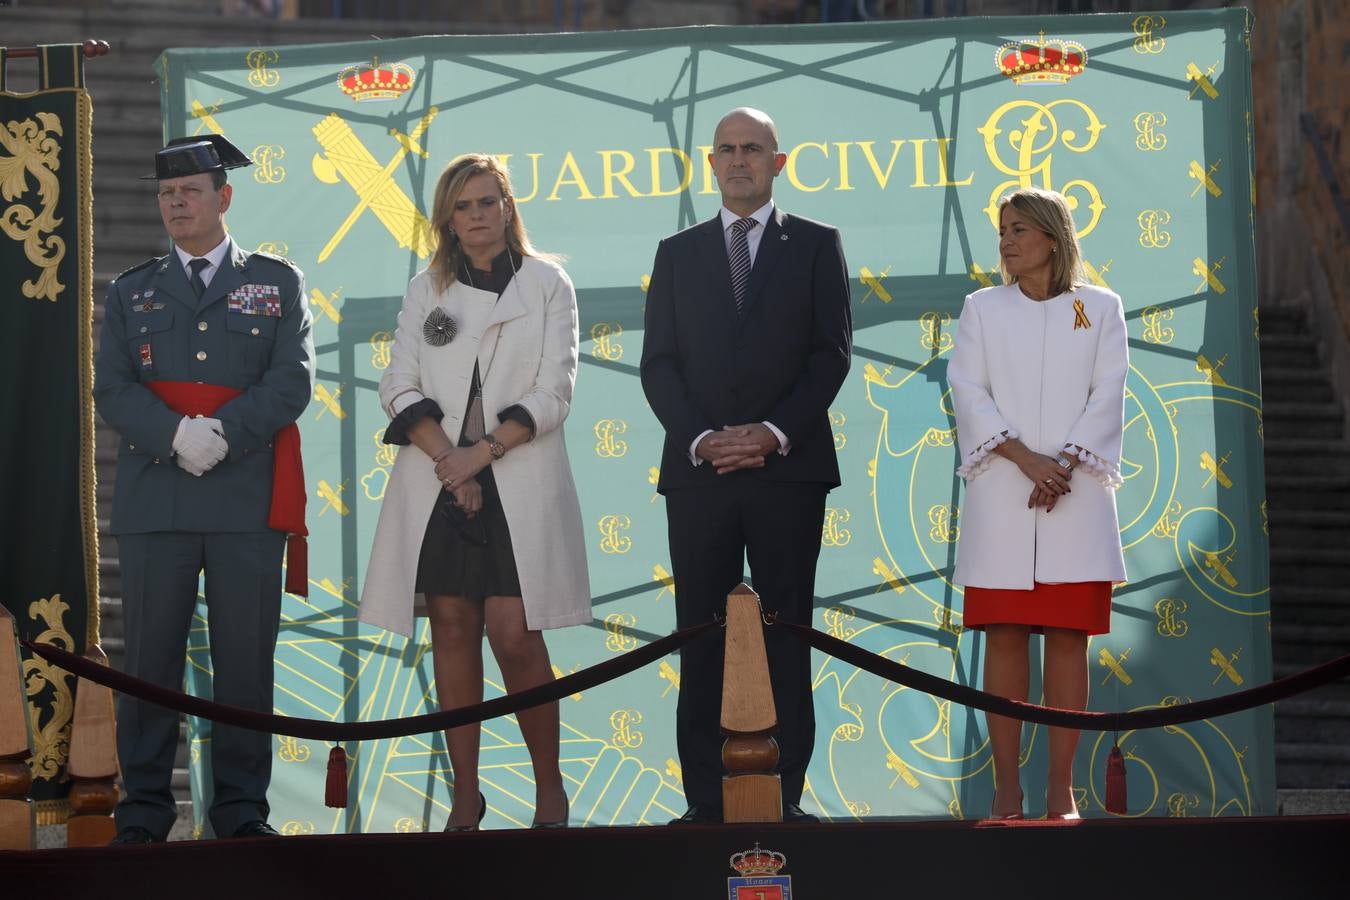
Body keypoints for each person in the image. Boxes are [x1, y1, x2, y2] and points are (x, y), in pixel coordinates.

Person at [359, 153, 590, 832]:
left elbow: (555, 389)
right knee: (453, 628)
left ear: (509, 207)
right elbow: (397, 384)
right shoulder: (425, 287)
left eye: (489, 201)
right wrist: (450, 464)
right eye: (463, 205)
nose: (478, 215)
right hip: (438, 481)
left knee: (514, 634)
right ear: (447, 219)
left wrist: (480, 457)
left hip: (516, 474)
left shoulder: (548, 284)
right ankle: (467, 794)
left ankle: (549, 789)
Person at [94, 134, 315, 842]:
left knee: (245, 661)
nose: (175, 204)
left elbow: (293, 380)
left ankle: (241, 808)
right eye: (165, 194)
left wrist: (222, 433)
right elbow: (113, 388)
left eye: (189, 192)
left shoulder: (277, 284)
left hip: (244, 497)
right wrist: (172, 435)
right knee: (151, 660)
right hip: (157, 496)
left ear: (224, 197)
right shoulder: (131, 291)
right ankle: (146, 809)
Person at [640, 107, 852, 824]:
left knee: (786, 638)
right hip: (699, 475)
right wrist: (705, 438)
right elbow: (659, 366)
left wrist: (769, 433)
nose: (739, 160)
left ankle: (782, 800)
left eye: (753, 149)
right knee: (700, 639)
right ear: (711, 164)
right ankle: (705, 805)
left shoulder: (818, 245)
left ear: (778, 162)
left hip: (788, 474)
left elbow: (831, 355)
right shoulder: (677, 253)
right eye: (727, 149)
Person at [947, 186, 1128, 821]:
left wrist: (1066, 464)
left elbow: (1109, 392)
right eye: (1003, 229)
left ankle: (1061, 792)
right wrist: (1027, 460)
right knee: (1002, 636)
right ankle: (1005, 792)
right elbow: (968, 389)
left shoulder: (1100, 308)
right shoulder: (982, 308)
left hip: (1074, 498)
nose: (1007, 240)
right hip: (1004, 490)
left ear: (1053, 237)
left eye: (1020, 228)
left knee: (1068, 638)